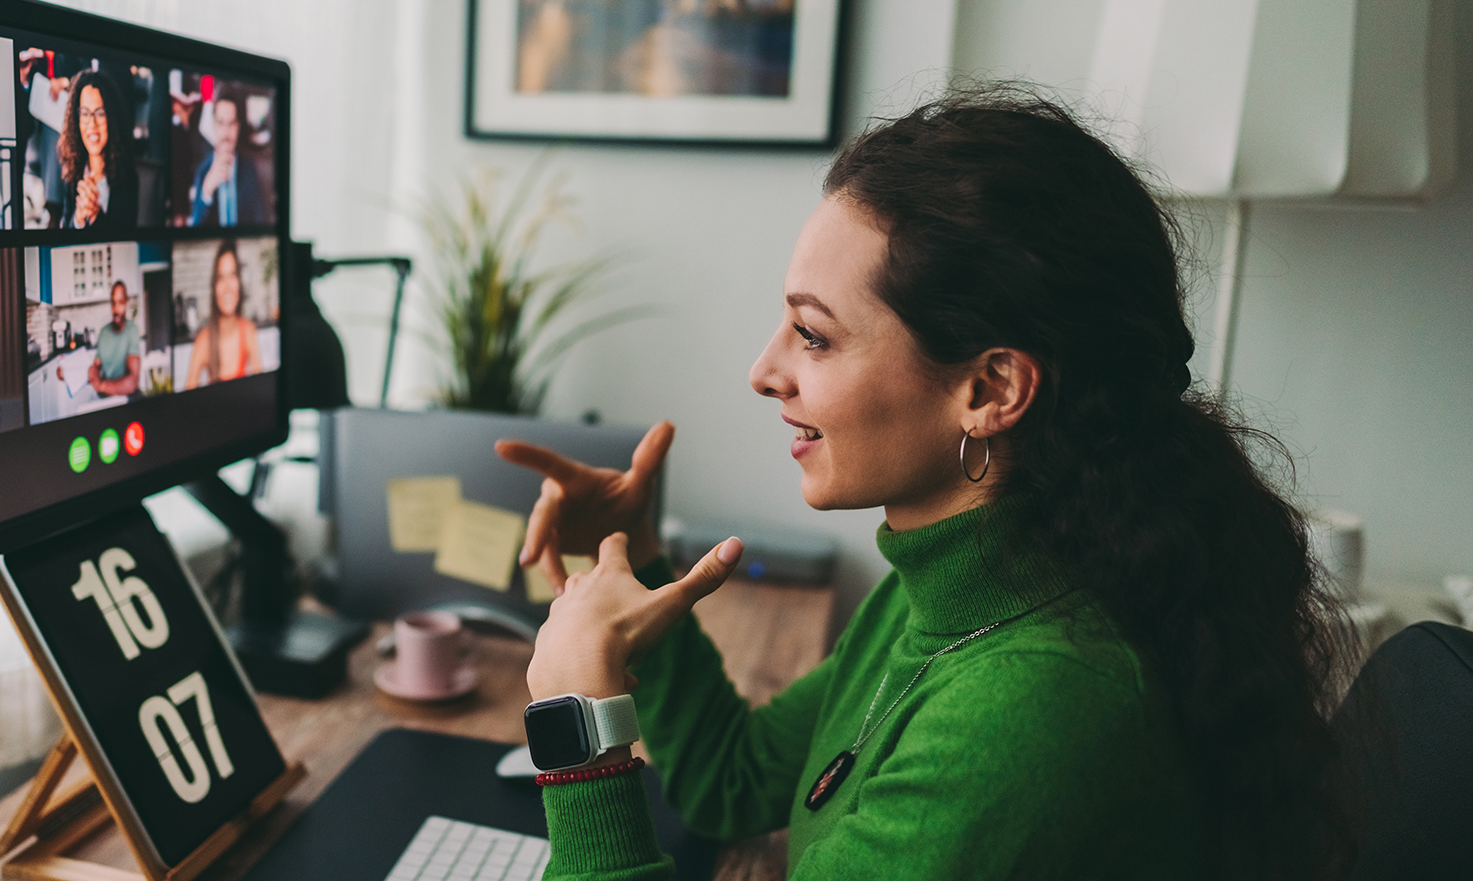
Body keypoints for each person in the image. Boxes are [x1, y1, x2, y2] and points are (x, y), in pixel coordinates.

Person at [503, 91, 1357, 881]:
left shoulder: (1033, 712)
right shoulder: (952, 591)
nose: (764, 371)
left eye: (814, 335)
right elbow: (738, 781)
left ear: (989, 391)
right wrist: (639, 554)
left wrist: (577, 720)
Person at [58, 69, 138, 230]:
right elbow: (63, 232)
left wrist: (96, 215)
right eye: (85, 114)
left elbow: (125, 242)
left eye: (100, 114)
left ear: (111, 118)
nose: (92, 125)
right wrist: (79, 218)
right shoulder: (72, 173)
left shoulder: (128, 177)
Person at [184, 240, 264, 388]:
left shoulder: (248, 331)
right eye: (221, 278)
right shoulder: (203, 341)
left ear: (239, 282)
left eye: (232, 275)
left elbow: (263, 391)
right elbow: (185, 403)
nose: (227, 287)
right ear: (214, 287)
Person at [185, 92, 271, 226]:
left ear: (237, 127)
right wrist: (207, 192)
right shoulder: (202, 172)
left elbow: (262, 222)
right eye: (220, 123)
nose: (226, 133)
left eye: (231, 124)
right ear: (213, 125)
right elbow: (194, 230)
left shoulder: (250, 168)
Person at [88, 280, 141, 397]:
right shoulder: (103, 332)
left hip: (127, 397)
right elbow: (96, 365)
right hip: (106, 397)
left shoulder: (132, 330)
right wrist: (93, 372)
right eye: (113, 303)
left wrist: (102, 386)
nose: (116, 309)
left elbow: (132, 383)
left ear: (126, 302)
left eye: (120, 302)